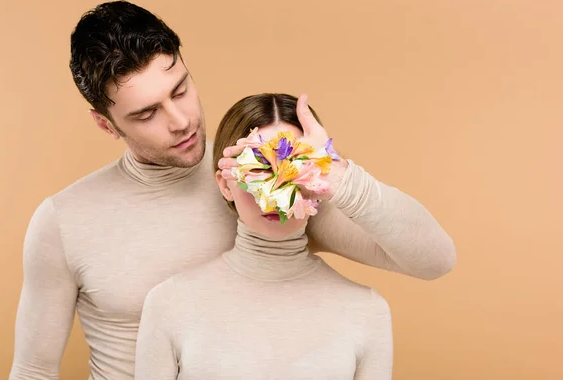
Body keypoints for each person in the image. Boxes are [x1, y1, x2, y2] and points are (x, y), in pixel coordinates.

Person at [9, 0, 455, 380]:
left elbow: (433, 261)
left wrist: (335, 172)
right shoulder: (64, 221)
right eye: (147, 113)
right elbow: (33, 371)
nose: (181, 120)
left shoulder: (265, 183)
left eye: (180, 90)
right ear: (106, 124)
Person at [135, 93, 393, 379]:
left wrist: (341, 176)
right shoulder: (170, 303)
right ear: (225, 185)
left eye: (293, 168)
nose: (274, 195)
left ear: (319, 179)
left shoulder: (367, 311)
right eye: (257, 170)